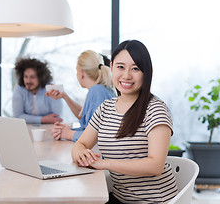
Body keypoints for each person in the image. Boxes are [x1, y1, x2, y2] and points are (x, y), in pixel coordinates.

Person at [71, 40, 178, 203]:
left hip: (154, 201)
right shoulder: (106, 108)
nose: (127, 75)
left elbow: (155, 166)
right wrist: (80, 154)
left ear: (146, 72)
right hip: (122, 198)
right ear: (112, 67)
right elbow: (81, 144)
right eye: (120, 67)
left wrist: (105, 163)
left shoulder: (155, 109)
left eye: (135, 68)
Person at [47, 50, 115, 142]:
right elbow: (89, 127)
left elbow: (97, 135)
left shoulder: (96, 91)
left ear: (81, 72)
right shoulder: (100, 90)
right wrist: (66, 130)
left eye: (76, 70)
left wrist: (68, 134)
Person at [12, 57, 62, 124]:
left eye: (32, 77)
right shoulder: (19, 88)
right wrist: (43, 119)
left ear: (41, 78)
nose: (28, 81)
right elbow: (17, 116)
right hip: (25, 129)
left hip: (49, 128)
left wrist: (27, 118)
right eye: (25, 77)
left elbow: (56, 118)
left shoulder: (51, 89)